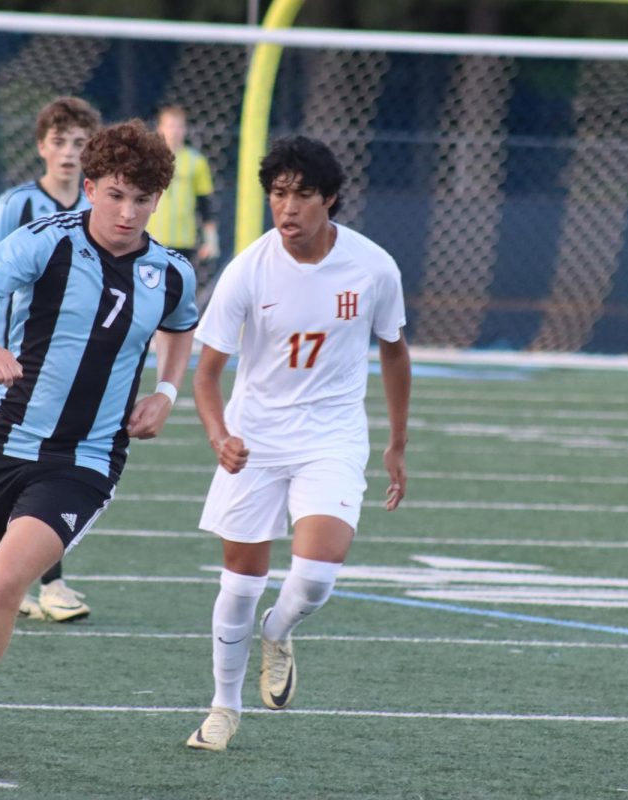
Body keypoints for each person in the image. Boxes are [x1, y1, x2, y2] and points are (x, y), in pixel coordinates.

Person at [0, 120, 196, 729]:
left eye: (141, 200)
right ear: (91, 187)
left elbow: (181, 325)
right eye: (115, 195)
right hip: (3, 438)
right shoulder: (45, 240)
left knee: (6, 584)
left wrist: (167, 393)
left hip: (85, 460)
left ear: (156, 201)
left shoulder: (170, 271)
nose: (127, 212)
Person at [184, 136, 411, 751]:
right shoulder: (248, 269)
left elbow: (393, 351)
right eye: (277, 194)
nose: (287, 208)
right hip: (254, 440)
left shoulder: (373, 267)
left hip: (332, 437)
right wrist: (219, 435)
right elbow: (205, 375)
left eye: (302, 195)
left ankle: (278, 632)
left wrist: (396, 441)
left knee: (313, 580)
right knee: (239, 582)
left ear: (329, 199)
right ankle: (223, 708)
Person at [0, 95, 102, 624]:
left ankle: (42, 580)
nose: (69, 153)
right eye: (60, 141)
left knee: (59, 466)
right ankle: (36, 580)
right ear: (41, 146)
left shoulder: (99, 210)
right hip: (19, 362)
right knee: (21, 466)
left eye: (79, 143)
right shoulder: (18, 205)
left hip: (75, 365)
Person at [147, 105, 219, 276]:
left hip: (184, 242)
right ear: (160, 128)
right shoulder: (148, 160)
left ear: (185, 129)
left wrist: (211, 240)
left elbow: (205, 204)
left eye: (179, 126)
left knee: (178, 292)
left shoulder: (196, 161)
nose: (175, 131)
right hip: (151, 239)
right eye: (170, 126)